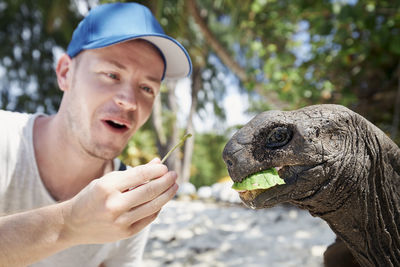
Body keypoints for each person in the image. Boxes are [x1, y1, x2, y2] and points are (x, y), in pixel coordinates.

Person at [0, 2, 192, 267]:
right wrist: (69, 225)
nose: (130, 101)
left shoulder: (130, 198)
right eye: (112, 74)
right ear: (66, 73)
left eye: (147, 88)